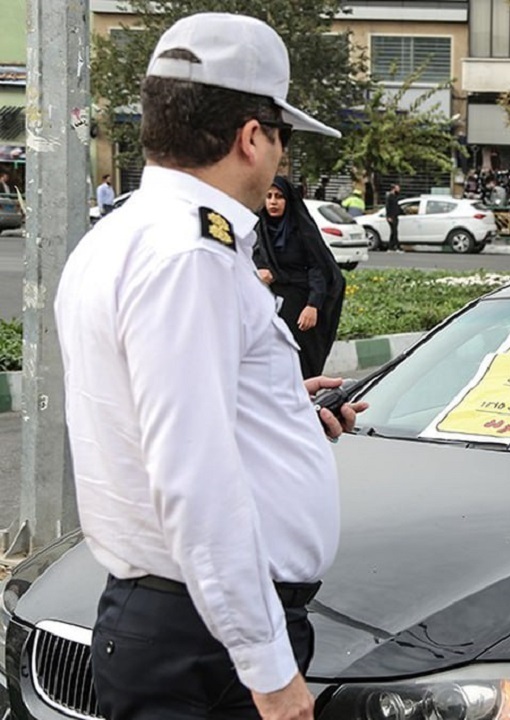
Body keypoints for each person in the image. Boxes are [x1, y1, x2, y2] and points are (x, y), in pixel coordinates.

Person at [53, 13, 367, 720]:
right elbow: (193, 480)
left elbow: (157, 425)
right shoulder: (190, 258)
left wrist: (284, 416)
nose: (280, 161)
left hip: (186, 627)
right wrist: (272, 677)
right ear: (252, 136)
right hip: (208, 648)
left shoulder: (129, 235)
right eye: (282, 138)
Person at [255, 176, 347, 377]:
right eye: (268, 196)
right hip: (270, 304)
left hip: (300, 303)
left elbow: (318, 267)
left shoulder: (301, 230)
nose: (272, 202)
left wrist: (313, 305)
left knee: (301, 361)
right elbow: (251, 258)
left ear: (288, 200)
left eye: (279, 197)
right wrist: (261, 271)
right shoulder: (259, 229)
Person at [384, 182, 402, 252]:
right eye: (398, 188)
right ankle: (397, 247)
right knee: (395, 232)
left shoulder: (395, 196)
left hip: (395, 216)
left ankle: (390, 247)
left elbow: (397, 207)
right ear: (394, 189)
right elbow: (388, 207)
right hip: (391, 217)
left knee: (393, 232)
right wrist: (389, 216)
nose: (399, 190)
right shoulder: (390, 197)